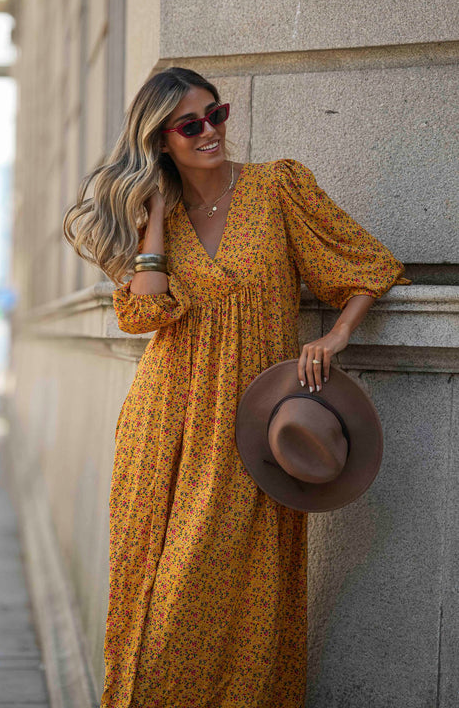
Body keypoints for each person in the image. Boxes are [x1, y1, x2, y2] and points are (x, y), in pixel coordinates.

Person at [63, 67, 410, 708]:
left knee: (246, 604)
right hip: (166, 421)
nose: (210, 132)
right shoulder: (153, 215)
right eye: (190, 125)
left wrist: (335, 338)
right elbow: (144, 315)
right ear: (161, 139)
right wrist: (158, 218)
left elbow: (366, 266)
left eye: (216, 114)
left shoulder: (278, 187)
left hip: (252, 428)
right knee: (156, 606)